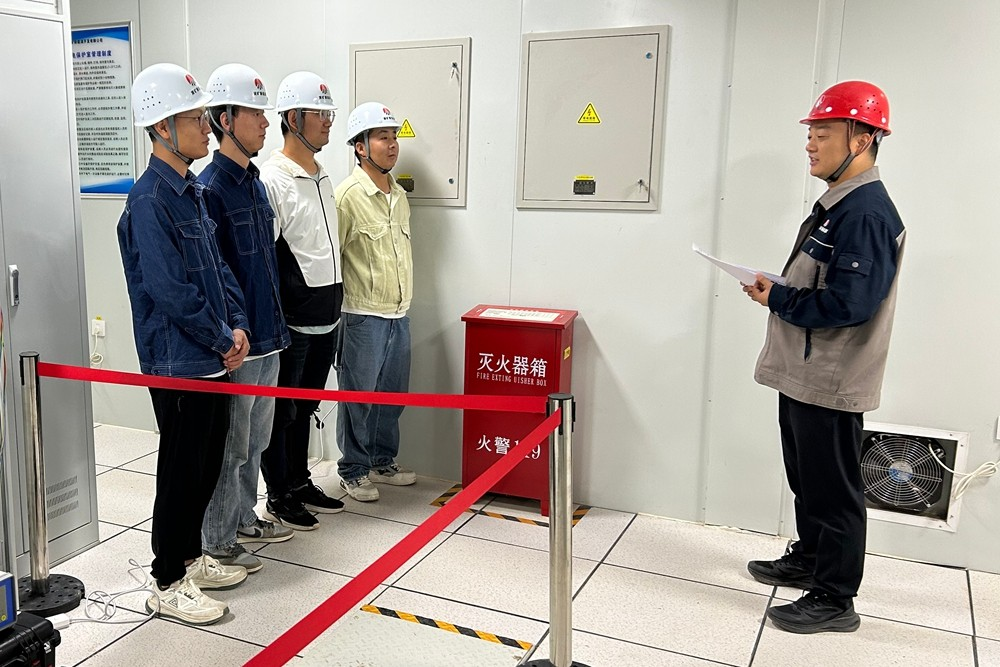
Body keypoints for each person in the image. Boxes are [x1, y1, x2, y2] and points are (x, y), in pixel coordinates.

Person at [743, 80, 905, 634]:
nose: (810, 144)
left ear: (861, 139)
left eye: (823, 133)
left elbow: (849, 305)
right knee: (807, 478)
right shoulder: (839, 206)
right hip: (805, 372)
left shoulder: (866, 213)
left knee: (834, 491)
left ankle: (835, 598)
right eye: (811, 133)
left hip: (832, 379)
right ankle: (811, 559)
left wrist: (778, 298)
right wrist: (779, 291)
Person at [119, 63, 249, 626]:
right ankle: (167, 579)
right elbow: (169, 290)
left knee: (205, 465)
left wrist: (237, 325)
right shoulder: (149, 201)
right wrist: (222, 338)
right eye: (195, 118)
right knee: (180, 472)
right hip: (180, 361)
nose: (206, 128)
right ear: (161, 127)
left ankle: (192, 558)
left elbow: (219, 269)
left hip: (213, 357)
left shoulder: (191, 191)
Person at [198, 63, 293, 572]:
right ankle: (216, 539)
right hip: (240, 341)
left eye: (263, 112)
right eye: (254, 112)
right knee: (231, 447)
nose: (264, 122)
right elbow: (214, 275)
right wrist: (229, 335)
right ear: (224, 120)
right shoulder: (210, 188)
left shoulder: (255, 183)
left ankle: (243, 517)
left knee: (256, 441)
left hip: (269, 335)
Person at [259, 71, 344, 529]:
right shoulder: (273, 179)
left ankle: (299, 480)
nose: (329, 121)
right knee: (282, 413)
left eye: (330, 113)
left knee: (306, 407)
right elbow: (269, 258)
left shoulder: (322, 174)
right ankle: (279, 493)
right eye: (320, 113)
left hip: (326, 315)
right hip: (293, 320)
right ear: (293, 119)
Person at [334, 102, 416, 502]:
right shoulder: (347, 197)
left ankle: (382, 461)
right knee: (358, 397)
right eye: (383, 137)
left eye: (394, 136)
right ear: (360, 146)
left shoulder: (398, 194)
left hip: (398, 312)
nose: (393, 144)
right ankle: (352, 470)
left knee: (391, 394)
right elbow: (333, 259)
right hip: (362, 316)